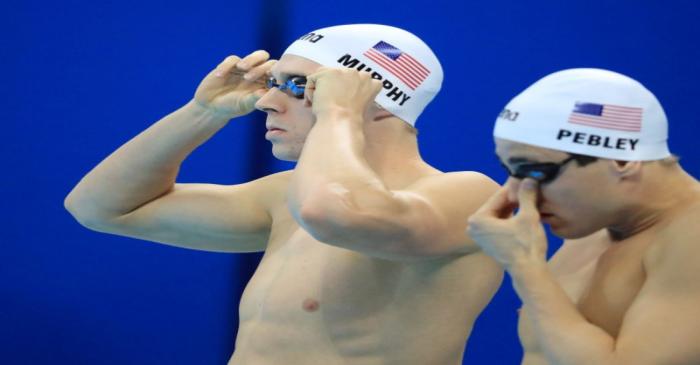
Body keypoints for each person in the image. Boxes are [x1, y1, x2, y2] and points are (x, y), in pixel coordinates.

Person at [65, 24, 503, 364]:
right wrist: (202, 113)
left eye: (296, 86)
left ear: (379, 99)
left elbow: (334, 213)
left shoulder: (464, 196)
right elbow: (99, 208)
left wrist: (338, 112)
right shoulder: (284, 196)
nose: (266, 102)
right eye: (274, 83)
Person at [467, 68, 700, 365]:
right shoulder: (593, 228)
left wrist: (525, 266)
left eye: (536, 172)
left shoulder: (692, 236)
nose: (515, 193)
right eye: (510, 171)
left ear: (623, 159)